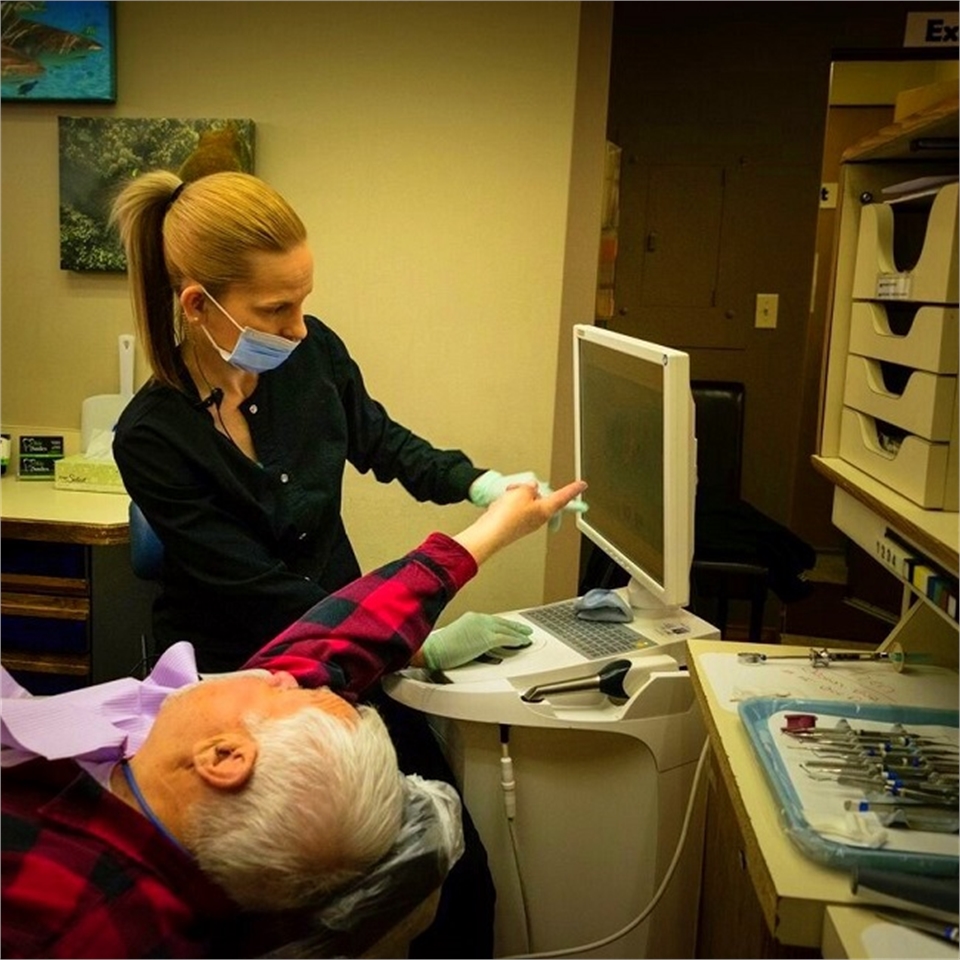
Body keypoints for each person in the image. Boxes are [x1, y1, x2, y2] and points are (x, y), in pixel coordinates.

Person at [109, 167, 585, 957]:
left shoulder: (308, 354)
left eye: (303, 301)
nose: (298, 328)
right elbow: (261, 594)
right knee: (281, 899)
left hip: (358, 647)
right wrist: (416, 638)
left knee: (454, 864)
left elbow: (376, 437)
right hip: (245, 682)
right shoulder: (151, 437)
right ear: (200, 305)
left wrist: (477, 482)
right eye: (276, 309)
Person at [1, 479, 587, 960]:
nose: (285, 675)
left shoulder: (63, 921)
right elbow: (331, 648)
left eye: (286, 694)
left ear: (225, 759)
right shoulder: (193, 801)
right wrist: (496, 530)